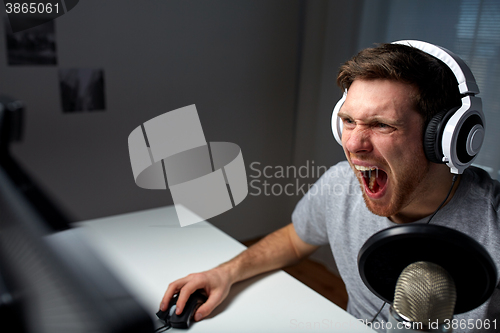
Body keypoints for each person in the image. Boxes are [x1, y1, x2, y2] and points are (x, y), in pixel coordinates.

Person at [160, 42, 500, 331]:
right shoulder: (341, 184)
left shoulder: (494, 221)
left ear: (444, 138)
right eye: (348, 121)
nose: (352, 144)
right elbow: (295, 240)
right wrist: (226, 273)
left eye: (381, 125)